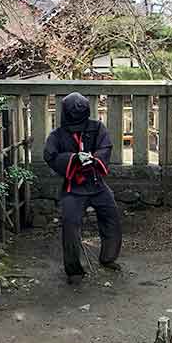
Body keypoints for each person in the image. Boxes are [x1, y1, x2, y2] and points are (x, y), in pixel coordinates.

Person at [44, 92, 122, 284]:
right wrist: (73, 159)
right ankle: (74, 270)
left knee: (111, 216)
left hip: (97, 184)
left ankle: (108, 258)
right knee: (70, 224)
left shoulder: (97, 128)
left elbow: (106, 148)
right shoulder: (57, 135)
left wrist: (94, 159)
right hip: (73, 187)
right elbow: (50, 156)